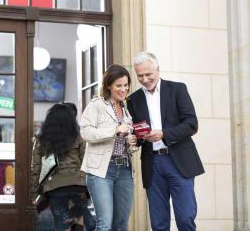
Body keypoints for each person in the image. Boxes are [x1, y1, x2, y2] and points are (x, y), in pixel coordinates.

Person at [127, 52, 204, 231]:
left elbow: (192, 124)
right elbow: (137, 132)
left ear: (158, 70)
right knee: (158, 222)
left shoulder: (177, 89)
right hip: (152, 164)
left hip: (179, 161)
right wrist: (134, 138)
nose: (145, 79)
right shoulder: (133, 99)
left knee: (185, 217)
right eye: (140, 76)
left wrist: (164, 134)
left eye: (148, 74)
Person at [80, 64, 137, 231]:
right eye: (119, 85)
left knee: (121, 224)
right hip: (101, 171)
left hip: (125, 169)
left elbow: (124, 138)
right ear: (108, 86)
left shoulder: (126, 109)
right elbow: (85, 132)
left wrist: (131, 141)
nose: (123, 89)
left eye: (126, 85)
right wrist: (115, 130)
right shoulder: (97, 105)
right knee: (104, 224)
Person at [31, 102, 95, 231]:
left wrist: (33, 194)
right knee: (78, 224)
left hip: (55, 188)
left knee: (62, 225)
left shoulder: (41, 139)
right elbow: (87, 162)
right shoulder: (79, 137)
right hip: (78, 186)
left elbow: (35, 168)